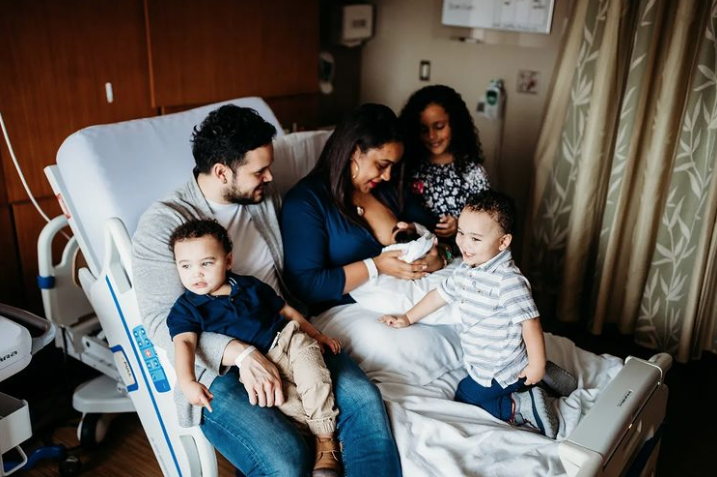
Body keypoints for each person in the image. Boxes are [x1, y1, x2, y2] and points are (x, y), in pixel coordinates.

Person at [132, 104, 402, 476]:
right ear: (222, 172)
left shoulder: (262, 199)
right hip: (219, 369)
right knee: (285, 458)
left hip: (283, 334)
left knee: (362, 402)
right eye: (259, 170)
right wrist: (238, 353)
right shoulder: (164, 224)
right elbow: (159, 321)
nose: (270, 176)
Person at [167, 219, 342, 476]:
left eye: (206, 263)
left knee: (315, 377)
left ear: (227, 261)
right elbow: (183, 342)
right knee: (289, 405)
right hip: (260, 367)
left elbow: (285, 310)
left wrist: (317, 335)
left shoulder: (247, 285)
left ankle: (327, 441)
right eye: (186, 266)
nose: (197, 274)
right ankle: (321, 437)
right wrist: (187, 381)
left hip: (288, 341)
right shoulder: (187, 309)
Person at [380, 189, 560, 439]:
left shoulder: (508, 281)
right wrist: (408, 317)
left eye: (475, 239)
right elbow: (439, 295)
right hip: (487, 362)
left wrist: (537, 364)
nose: (464, 243)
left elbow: (530, 323)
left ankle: (520, 404)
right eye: (461, 233)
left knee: (464, 397)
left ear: (503, 242)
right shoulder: (467, 270)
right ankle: (540, 381)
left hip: (500, 368)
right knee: (480, 387)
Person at [281, 103, 446, 316]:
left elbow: (439, 234)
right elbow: (306, 286)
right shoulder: (306, 202)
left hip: (414, 296)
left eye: (392, 167)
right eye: (381, 164)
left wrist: (439, 258)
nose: (387, 175)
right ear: (354, 151)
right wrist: (375, 267)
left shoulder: (388, 190)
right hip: (349, 309)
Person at [399, 84, 491, 243]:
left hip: (457, 254)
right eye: (423, 129)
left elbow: (487, 224)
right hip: (412, 249)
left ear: (455, 124)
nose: (432, 136)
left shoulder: (473, 173)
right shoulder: (407, 166)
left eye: (439, 126)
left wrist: (460, 226)